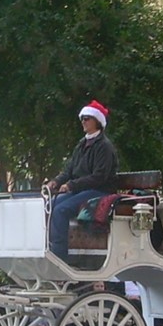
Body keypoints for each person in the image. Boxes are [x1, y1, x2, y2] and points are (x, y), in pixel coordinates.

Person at [45, 100, 119, 261]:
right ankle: (46, 249)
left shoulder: (104, 146)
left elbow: (99, 177)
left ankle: (59, 258)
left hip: (99, 191)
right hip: (82, 190)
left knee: (60, 210)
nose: (83, 121)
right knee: (48, 205)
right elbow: (69, 170)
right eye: (82, 118)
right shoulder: (81, 144)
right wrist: (55, 182)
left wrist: (71, 185)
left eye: (87, 118)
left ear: (97, 121)